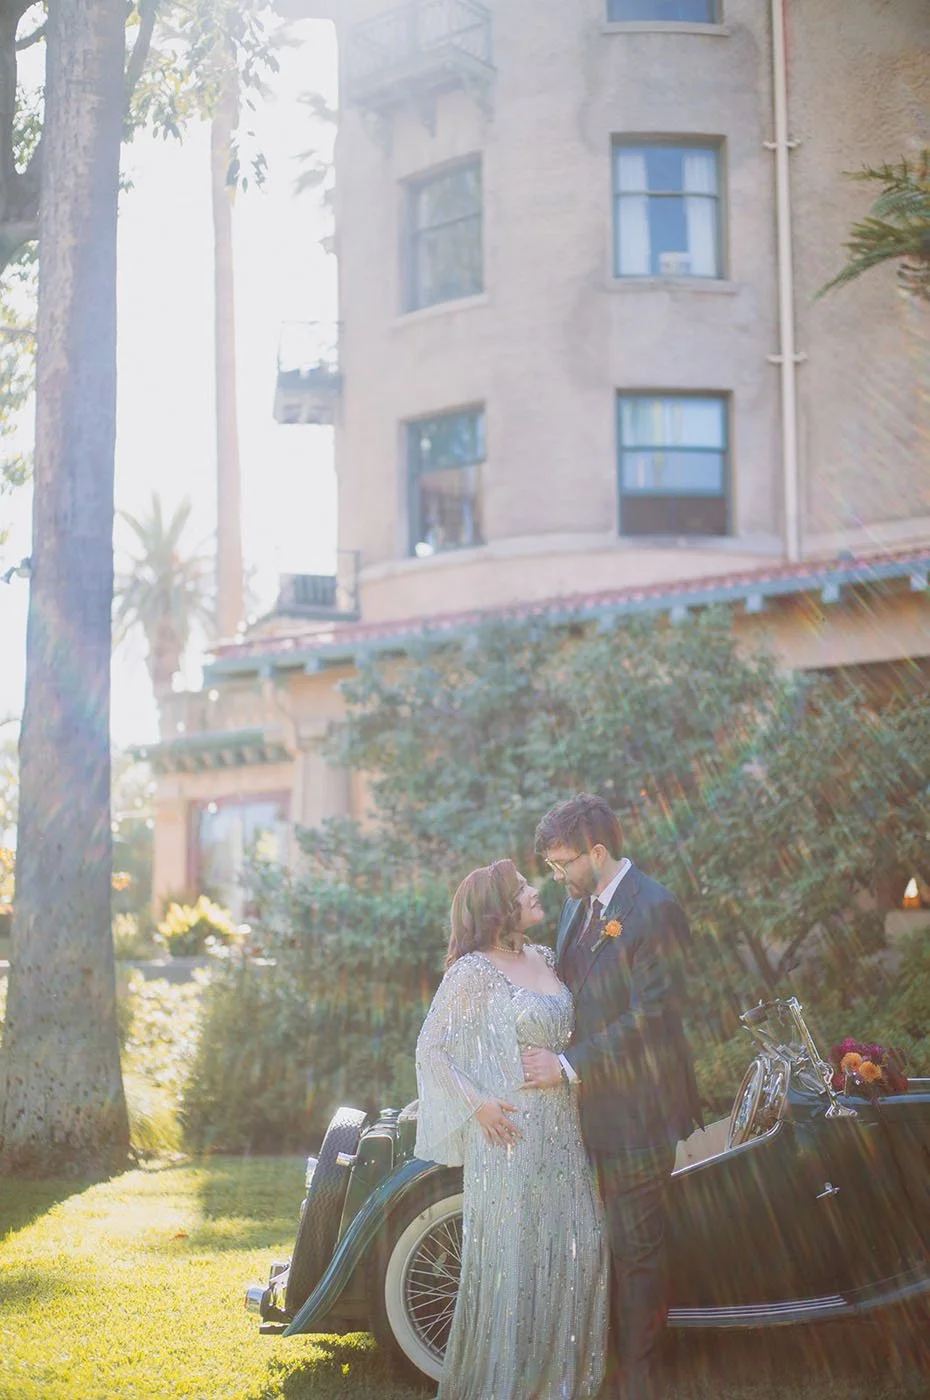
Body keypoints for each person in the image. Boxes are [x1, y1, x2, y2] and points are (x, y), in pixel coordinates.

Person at [522, 794, 702, 1400]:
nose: (557, 876)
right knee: (605, 1244)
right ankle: (608, 1366)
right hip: (590, 1111)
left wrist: (567, 1065)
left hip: (641, 1113)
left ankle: (639, 1381)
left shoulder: (656, 909)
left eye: (563, 862)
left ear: (597, 853)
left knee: (636, 1249)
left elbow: (653, 1017)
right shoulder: (577, 907)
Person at [415, 858, 608, 1400]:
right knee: (519, 1262)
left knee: (580, 1247)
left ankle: (565, 1384)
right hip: (510, 1140)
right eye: (522, 888)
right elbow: (432, 1049)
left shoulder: (545, 957)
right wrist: (478, 1104)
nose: (534, 891)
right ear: (499, 908)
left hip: (564, 1131)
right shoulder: (473, 971)